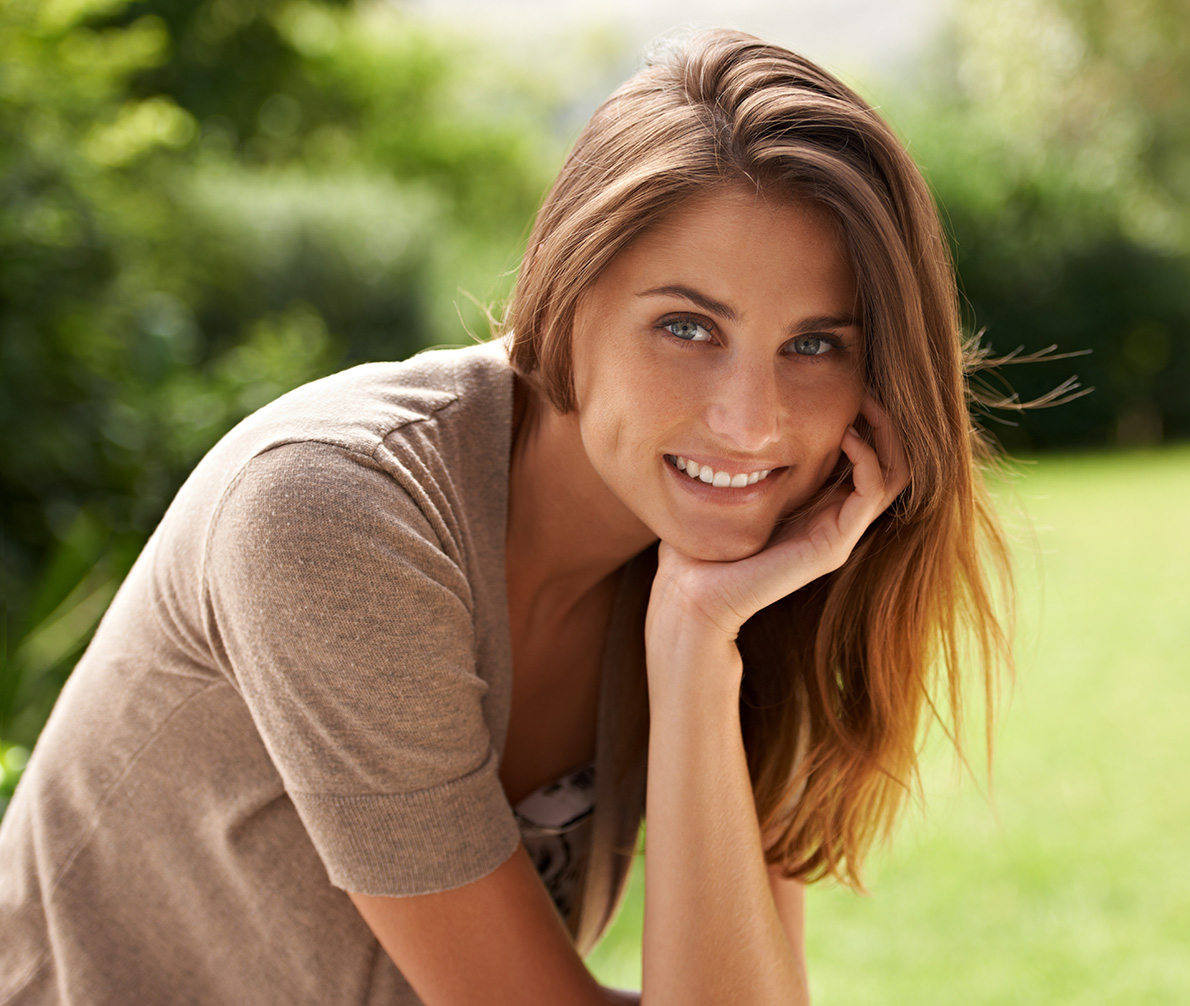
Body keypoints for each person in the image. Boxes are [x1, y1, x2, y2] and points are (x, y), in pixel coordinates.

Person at [0, 28, 1009, 1005]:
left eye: (815, 346)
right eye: (688, 327)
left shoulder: (732, 576)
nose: (752, 422)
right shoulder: (335, 512)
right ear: (567, 299)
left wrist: (700, 639)